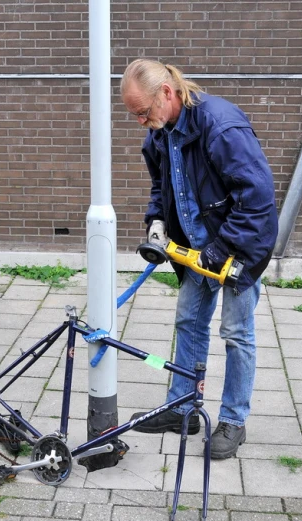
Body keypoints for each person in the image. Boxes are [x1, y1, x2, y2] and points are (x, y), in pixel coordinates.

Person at [121, 59, 278, 459]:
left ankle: (233, 421)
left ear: (167, 94)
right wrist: (156, 220)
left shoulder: (221, 127)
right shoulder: (159, 135)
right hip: (195, 249)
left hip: (239, 249)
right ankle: (182, 410)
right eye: (134, 114)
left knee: (236, 333)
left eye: (143, 112)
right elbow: (162, 186)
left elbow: (256, 196)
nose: (141, 121)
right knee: (189, 322)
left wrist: (221, 248)